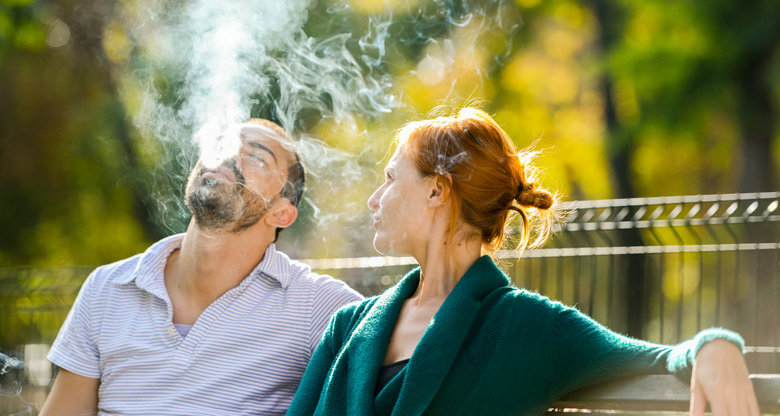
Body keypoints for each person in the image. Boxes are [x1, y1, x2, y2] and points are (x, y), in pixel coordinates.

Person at [287, 108, 759, 415]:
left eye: (390, 178)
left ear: (437, 189)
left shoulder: (530, 328)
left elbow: (659, 358)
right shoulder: (347, 328)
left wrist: (714, 346)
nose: (374, 198)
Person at [40, 119, 363, 416]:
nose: (228, 157)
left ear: (281, 214)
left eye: (257, 157)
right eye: (223, 144)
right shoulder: (107, 288)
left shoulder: (317, 306)